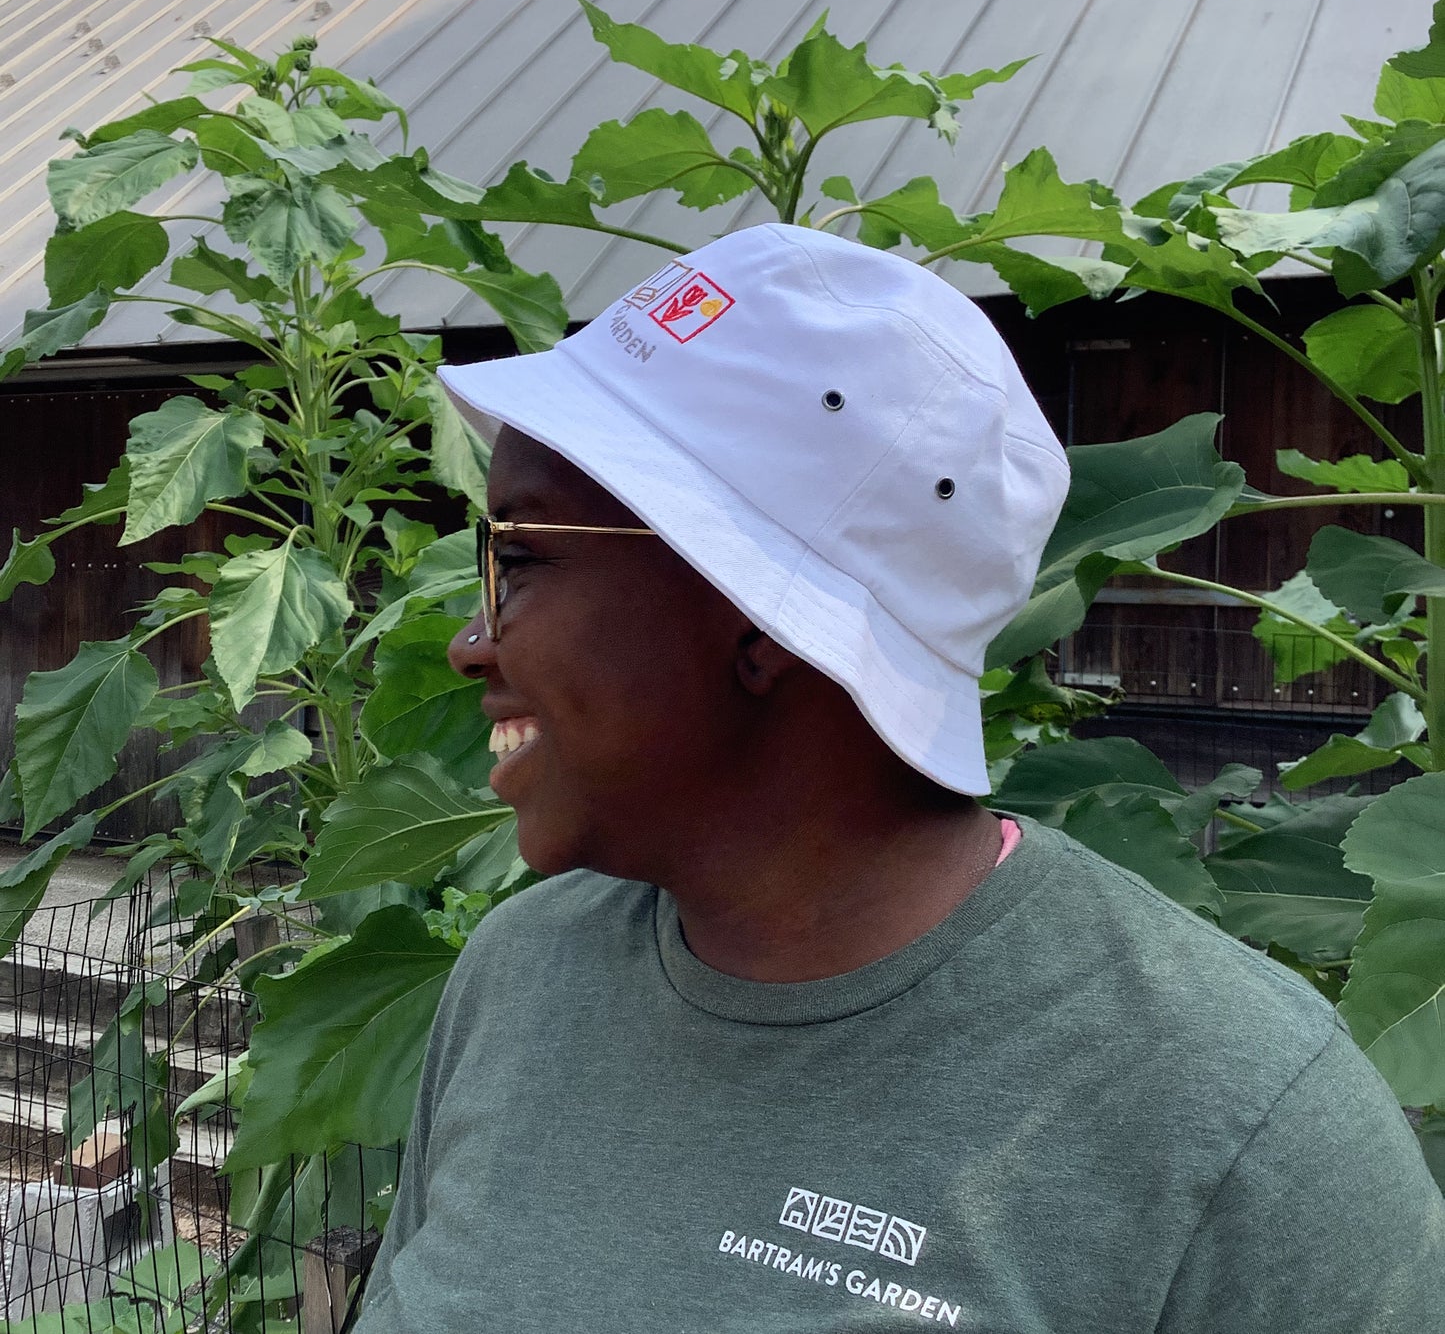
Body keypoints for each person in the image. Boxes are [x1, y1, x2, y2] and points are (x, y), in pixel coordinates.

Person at [355, 223, 1445, 1333]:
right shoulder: (521, 977)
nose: (468, 642)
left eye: (519, 560)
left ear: (759, 612)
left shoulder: (1237, 1124)